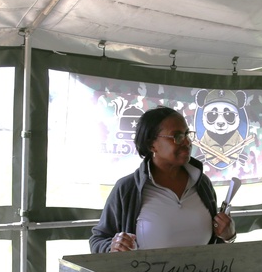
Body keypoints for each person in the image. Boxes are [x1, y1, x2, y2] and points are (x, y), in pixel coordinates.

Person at [90, 106, 236, 253]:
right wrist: (112, 247)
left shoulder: (202, 183)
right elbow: (98, 239)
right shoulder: (128, 189)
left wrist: (228, 236)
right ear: (151, 144)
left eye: (187, 134)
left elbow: (216, 243)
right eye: (177, 136)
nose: (187, 142)